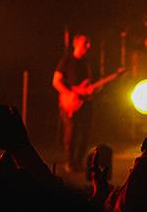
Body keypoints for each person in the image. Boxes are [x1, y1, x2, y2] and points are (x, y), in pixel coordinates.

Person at [53, 33, 124, 172]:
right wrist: (70, 93)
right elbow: (56, 81)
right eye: (85, 43)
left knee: (85, 132)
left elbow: (96, 84)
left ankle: (78, 162)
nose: (88, 45)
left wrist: (94, 89)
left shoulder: (89, 63)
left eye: (88, 43)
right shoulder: (67, 60)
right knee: (72, 132)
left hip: (86, 102)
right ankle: (70, 162)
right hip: (70, 102)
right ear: (76, 44)